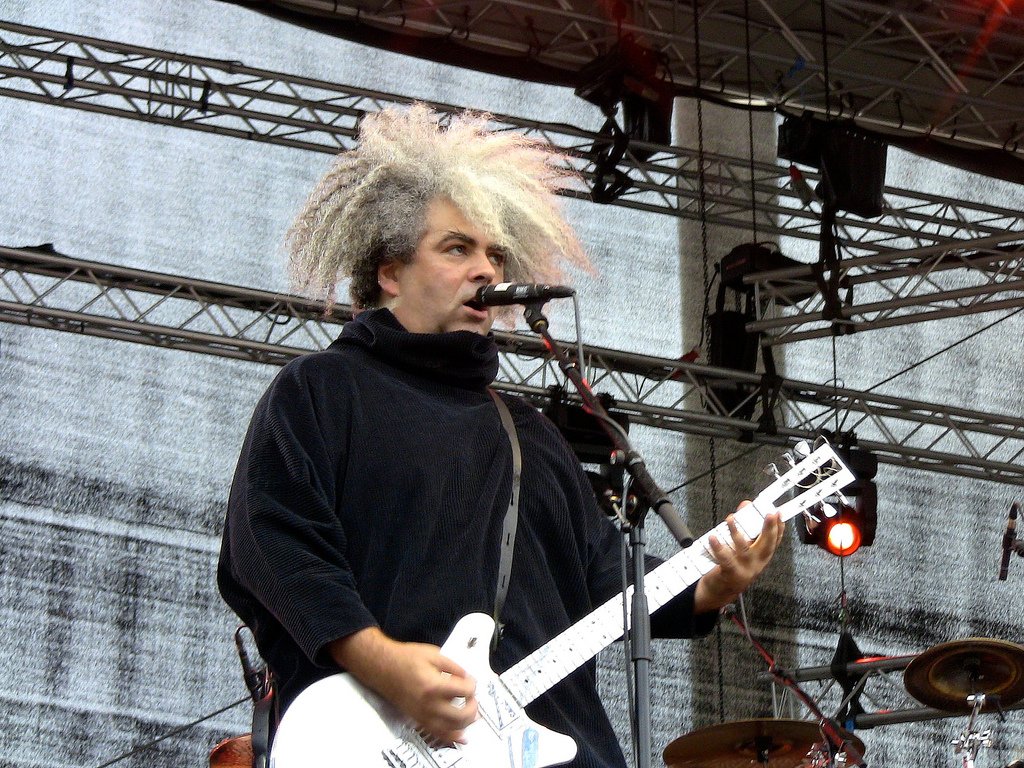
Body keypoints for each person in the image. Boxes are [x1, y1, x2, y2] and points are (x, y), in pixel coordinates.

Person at [217, 104, 783, 768]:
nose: (486, 269)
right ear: (390, 273)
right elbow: (272, 546)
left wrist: (710, 586)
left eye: (494, 252)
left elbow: (608, 583)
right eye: (456, 248)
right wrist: (382, 659)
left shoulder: (530, 436)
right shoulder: (322, 390)